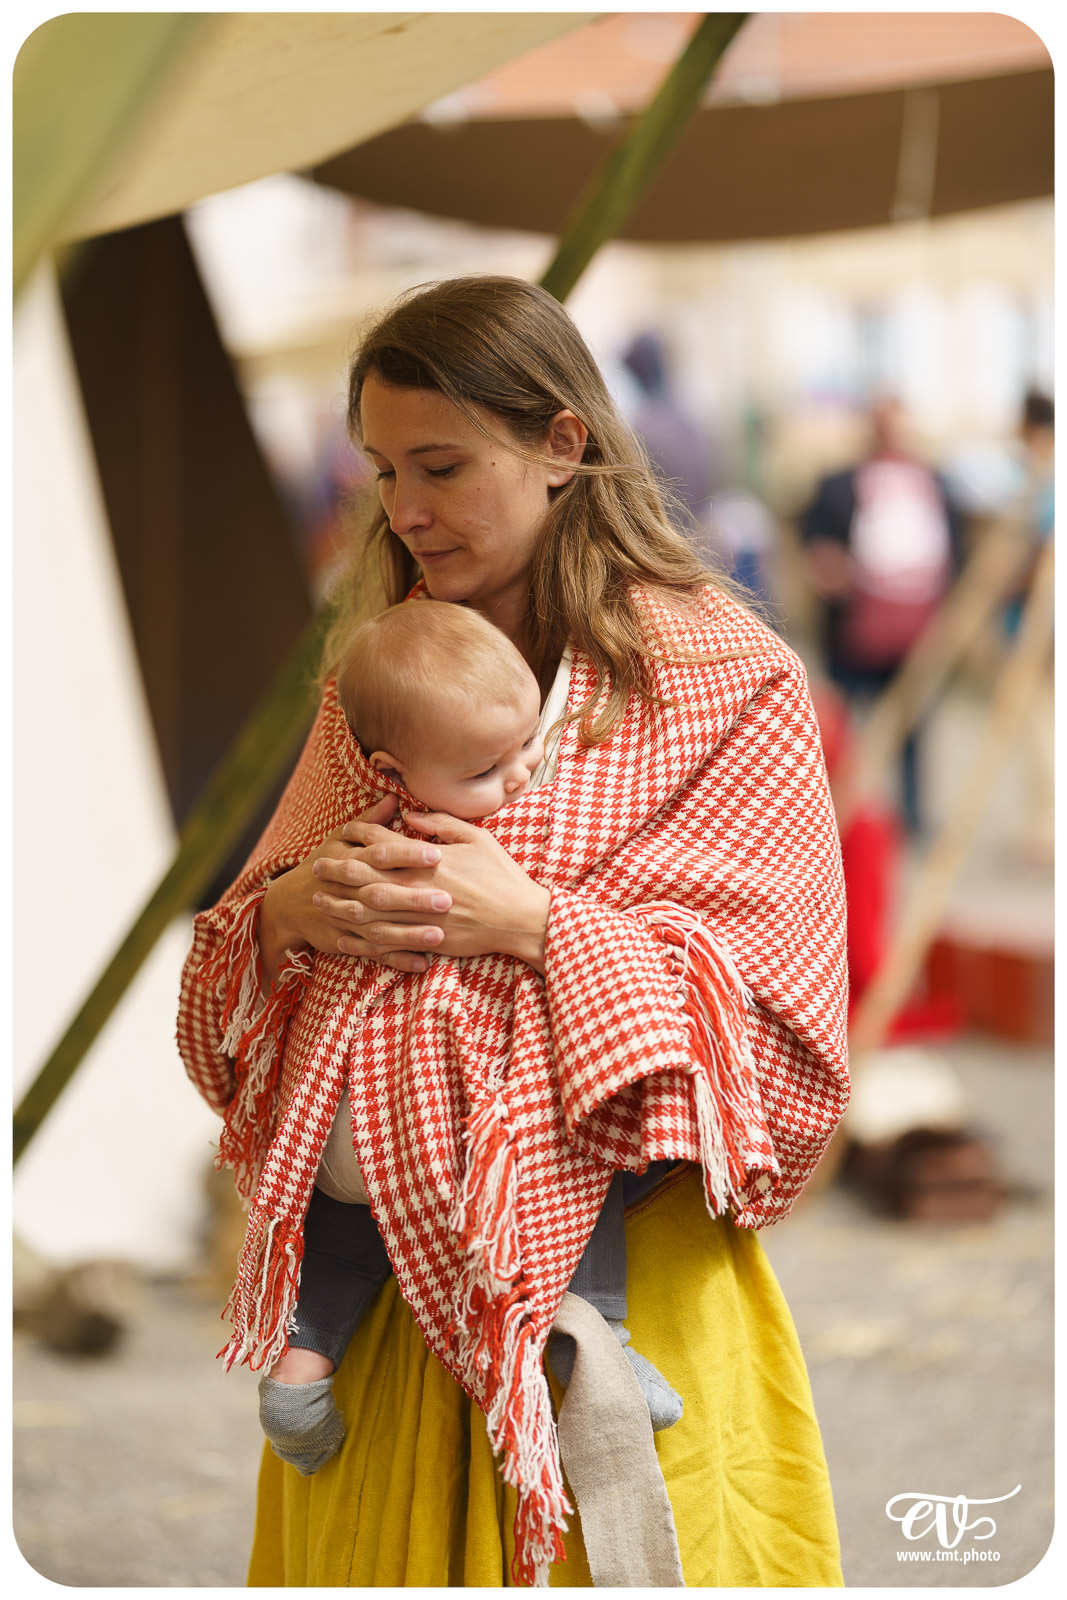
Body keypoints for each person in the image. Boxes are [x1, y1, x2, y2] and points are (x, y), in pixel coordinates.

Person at [177, 275, 849, 1587]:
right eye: (379, 471)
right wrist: (292, 917)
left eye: (439, 464)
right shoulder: (380, 674)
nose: (404, 509)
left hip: (628, 1314)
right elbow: (241, 956)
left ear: (559, 445)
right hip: (392, 1324)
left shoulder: (726, 682)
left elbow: (781, 1030)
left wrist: (535, 921)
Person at [258, 600, 681, 1478]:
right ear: (392, 767)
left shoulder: (361, 823)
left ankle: (299, 1370)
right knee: (575, 1152)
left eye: (532, 744)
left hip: (342, 1119)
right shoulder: (459, 841)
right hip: (434, 1115)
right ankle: (589, 1338)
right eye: (490, 767)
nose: (524, 776)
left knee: (344, 1239)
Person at [800, 397, 962, 835]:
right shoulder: (838, 484)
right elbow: (813, 540)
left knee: (912, 730)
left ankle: (911, 816)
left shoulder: (933, 483)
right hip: (855, 631)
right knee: (844, 729)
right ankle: (835, 817)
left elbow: (956, 552)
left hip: (914, 634)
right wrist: (826, 566)